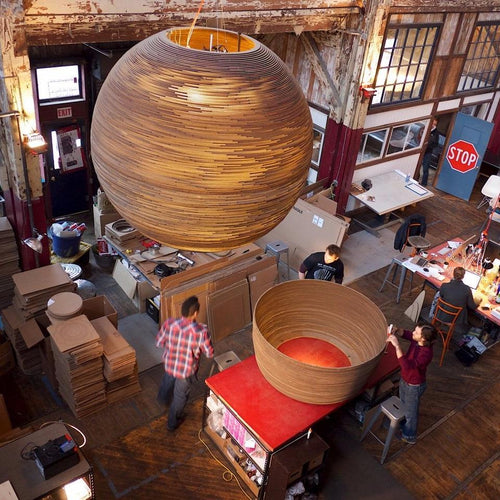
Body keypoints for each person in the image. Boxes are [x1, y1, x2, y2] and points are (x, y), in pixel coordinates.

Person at [156, 295, 214, 431]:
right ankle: (172, 423)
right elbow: (209, 353)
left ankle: (163, 400)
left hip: (170, 365)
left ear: (182, 311)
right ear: (195, 313)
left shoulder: (169, 323)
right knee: (180, 397)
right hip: (186, 371)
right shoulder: (201, 331)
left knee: (167, 382)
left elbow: (159, 343)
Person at [386, 321, 437, 444]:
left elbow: (406, 366)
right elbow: (408, 334)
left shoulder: (426, 354)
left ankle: (409, 436)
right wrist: (397, 330)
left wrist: (397, 346)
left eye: (416, 332)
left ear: (423, 338)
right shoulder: (418, 340)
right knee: (405, 405)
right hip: (406, 381)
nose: (413, 332)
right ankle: (403, 425)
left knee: (411, 413)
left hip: (414, 386)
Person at [438, 266, 479, 335]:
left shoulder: (444, 285)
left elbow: (441, 296)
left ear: (453, 274)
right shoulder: (467, 289)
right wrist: (478, 302)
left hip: (441, 313)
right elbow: (472, 306)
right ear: (463, 276)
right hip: (456, 319)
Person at [420, 117, 439, 186]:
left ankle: (424, 183)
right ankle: (415, 178)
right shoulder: (425, 128)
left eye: (434, 124)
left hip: (428, 152)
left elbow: (435, 144)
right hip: (420, 150)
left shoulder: (436, 133)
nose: (433, 125)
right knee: (417, 165)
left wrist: (428, 145)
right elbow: (419, 136)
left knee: (425, 168)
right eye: (432, 123)